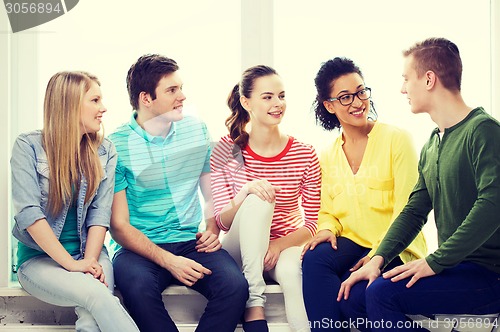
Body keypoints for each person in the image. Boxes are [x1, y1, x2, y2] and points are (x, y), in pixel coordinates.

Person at [338, 37, 500, 331]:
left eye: (406, 78)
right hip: (455, 268)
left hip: (488, 275)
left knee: (382, 295)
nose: (402, 88)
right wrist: (377, 258)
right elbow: (414, 211)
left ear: (428, 79)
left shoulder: (484, 131)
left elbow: (492, 205)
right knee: (353, 297)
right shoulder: (433, 145)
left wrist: (435, 262)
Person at [108, 54, 248, 332]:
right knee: (137, 290)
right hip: (138, 248)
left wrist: (211, 228)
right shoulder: (115, 145)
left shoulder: (195, 131)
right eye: (172, 90)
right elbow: (118, 226)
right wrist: (170, 262)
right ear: (146, 98)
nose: (182, 96)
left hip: (189, 241)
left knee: (235, 287)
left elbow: (211, 195)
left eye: (180, 88)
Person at [301, 57, 427, 332]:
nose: (357, 103)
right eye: (345, 97)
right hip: (354, 243)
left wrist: (375, 256)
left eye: (360, 92)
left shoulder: (397, 139)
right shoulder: (329, 155)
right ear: (329, 105)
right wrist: (325, 229)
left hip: (395, 246)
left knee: (352, 298)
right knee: (315, 256)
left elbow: (407, 209)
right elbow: (328, 211)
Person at [11, 71, 139, 332]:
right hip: (38, 261)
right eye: (94, 100)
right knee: (98, 295)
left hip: (89, 254)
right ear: (70, 103)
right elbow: (29, 214)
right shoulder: (28, 146)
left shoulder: (105, 151)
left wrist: (88, 262)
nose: (103, 108)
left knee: (92, 320)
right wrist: (72, 265)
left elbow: (100, 215)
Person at [210, 65, 321, 332]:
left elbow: (312, 225)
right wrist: (245, 191)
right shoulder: (226, 149)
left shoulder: (305, 154)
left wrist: (277, 246)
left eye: (281, 96)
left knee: (292, 275)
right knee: (259, 195)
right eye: (268, 97)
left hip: (282, 247)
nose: (278, 104)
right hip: (237, 251)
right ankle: (253, 305)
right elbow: (222, 222)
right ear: (246, 102)